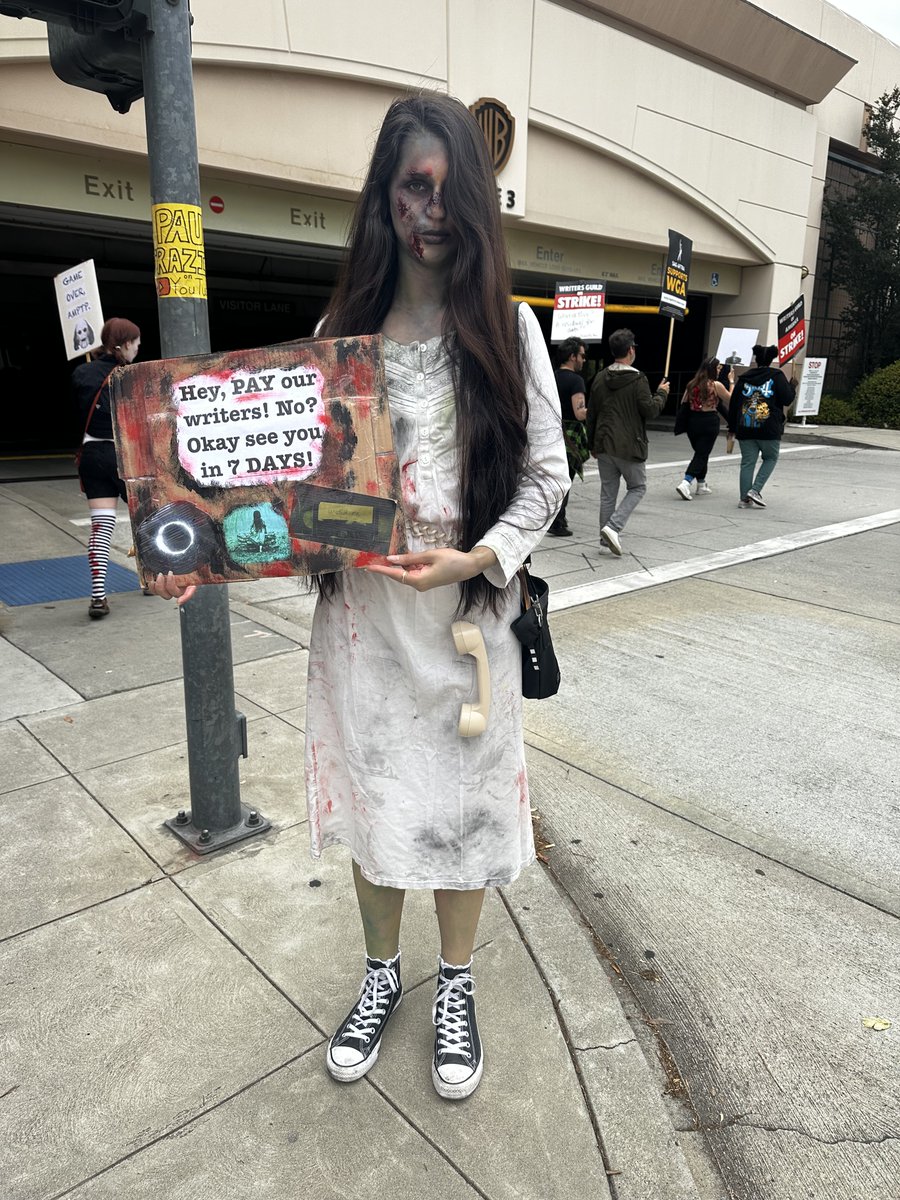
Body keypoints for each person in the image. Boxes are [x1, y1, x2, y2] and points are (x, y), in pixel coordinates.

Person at [152, 93, 568, 1101]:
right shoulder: (337, 337)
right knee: (379, 811)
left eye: (447, 189)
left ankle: (454, 986)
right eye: (410, 187)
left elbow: (548, 476)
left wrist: (478, 560)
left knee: (464, 819)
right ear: (382, 201)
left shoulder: (509, 331)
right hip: (364, 632)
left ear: (474, 202)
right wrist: (205, 540)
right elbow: (286, 490)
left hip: (468, 634)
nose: (429, 210)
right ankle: (383, 976)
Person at [71, 317, 141, 618]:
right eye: (136, 343)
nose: (138, 349)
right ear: (125, 344)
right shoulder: (128, 375)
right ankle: (151, 579)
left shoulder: (81, 372)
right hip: (120, 454)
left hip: (90, 455)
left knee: (102, 527)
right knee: (145, 519)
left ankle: (98, 596)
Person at [585, 327, 669, 555]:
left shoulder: (600, 377)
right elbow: (649, 410)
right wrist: (661, 393)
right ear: (631, 350)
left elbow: (592, 413)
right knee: (638, 487)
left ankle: (605, 540)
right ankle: (613, 527)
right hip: (629, 445)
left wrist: (592, 443)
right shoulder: (638, 379)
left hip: (603, 444)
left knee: (607, 493)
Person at [727, 342, 795, 508]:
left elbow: (734, 404)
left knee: (747, 463)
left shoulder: (744, 378)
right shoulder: (777, 376)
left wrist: (732, 428)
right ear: (771, 359)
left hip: (745, 427)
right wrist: (792, 385)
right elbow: (787, 399)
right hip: (769, 428)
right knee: (770, 458)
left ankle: (744, 499)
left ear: (756, 359)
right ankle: (755, 490)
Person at [674, 356, 733, 500]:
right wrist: (731, 381)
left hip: (692, 422)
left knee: (701, 452)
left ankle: (701, 484)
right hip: (709, 422)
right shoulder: (715, 385)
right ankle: (686, 482)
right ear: (712, 369)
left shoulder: (692, 384)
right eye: (718, 368)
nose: (719, 371)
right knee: (701, 454)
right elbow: (731, 398)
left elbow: (684, 403)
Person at [548, 337, 589, 537]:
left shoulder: (550, 376)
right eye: (581, 355)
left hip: (550, 432)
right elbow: (580, 412)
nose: (584, 360)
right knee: (564, 480)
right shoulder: (576, 381)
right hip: (569, 437)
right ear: (572, 356)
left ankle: (551, 518)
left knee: (550, 479)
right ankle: (558, 521)